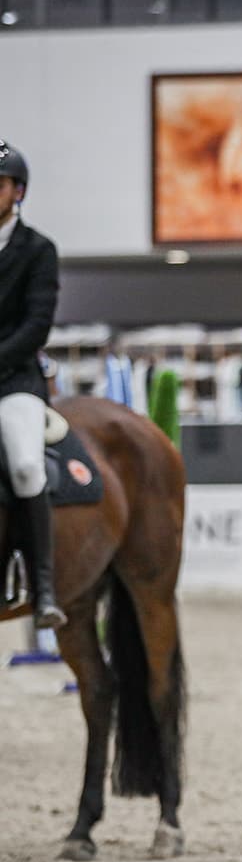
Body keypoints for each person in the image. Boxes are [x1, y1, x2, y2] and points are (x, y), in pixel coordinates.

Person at [0, 139, 65, 628]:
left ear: (17, 192)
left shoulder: (38, 250)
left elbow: (35, 326)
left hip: (15, 380)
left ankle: (43, 587)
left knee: (24, 464)